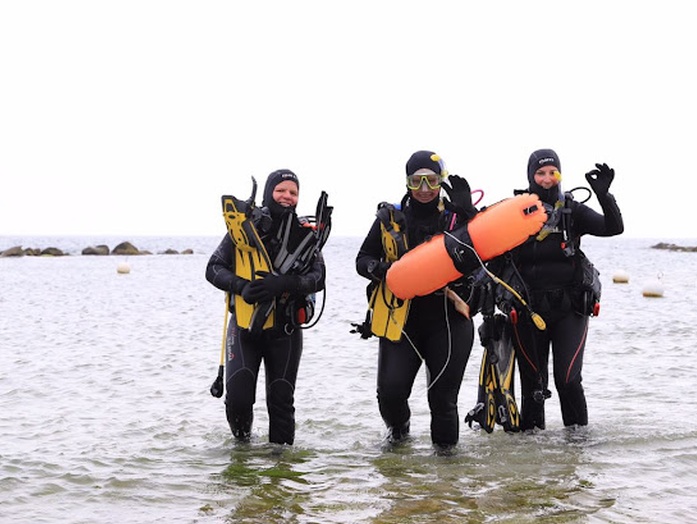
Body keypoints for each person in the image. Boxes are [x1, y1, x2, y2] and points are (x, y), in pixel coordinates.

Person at [355, 150, 479, 452]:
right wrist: (386, 271)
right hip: (402, 318)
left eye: (432, 180)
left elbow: (485, 258)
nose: (424, 188)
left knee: (442, 400)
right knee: (391, 394)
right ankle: (399, 440)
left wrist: (470, 215)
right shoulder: (390, 218)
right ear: (407, 182)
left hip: (448, 319)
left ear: (441, 181)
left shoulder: (456, 217)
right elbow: (362, 260)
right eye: (416, 181)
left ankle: (446, 478)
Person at [500, 148, 624, 430]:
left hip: (570, 308)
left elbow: (613, 228)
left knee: (567, 380)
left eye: (552, 172)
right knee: (533, 383)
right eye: (540, 173)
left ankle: (576, 450)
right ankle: (532, 458)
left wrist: (604, 195)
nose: (546, 179)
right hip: (528, 309)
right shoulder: (513, 212)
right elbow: (480, 242)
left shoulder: (572, 211)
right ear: (530, 176)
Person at [205, 169, 326, 445]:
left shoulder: (303, 235)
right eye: (281, 190)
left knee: (281, 401)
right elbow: (213, 268)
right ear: (268, 192)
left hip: (285, 330)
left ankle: (280, 473)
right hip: (245, 327)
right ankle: (242, 455)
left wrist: (284, 283)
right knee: (237, 401)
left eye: (293, 192)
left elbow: (318, 278)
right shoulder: (244, 229)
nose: (287, 197)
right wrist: (241, 286)